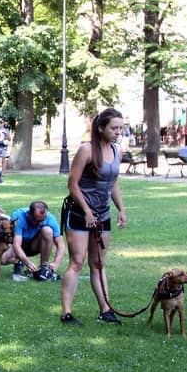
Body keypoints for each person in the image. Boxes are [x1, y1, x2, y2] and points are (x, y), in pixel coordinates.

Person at [59, 107, 127, 325]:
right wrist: (87, 211)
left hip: (103, 214)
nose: (118, 132)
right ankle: (66, 313)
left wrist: (121, 209)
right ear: (101, 128)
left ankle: (105, 311)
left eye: (121, 128)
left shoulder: (117, 151)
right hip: (79, 213)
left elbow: (113, 182)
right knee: (77, 262)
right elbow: (72, 184)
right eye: (114, 128)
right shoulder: (86, 150)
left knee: (98, 263)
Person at [0, 201, 66, 282]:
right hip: (19, 246)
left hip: (35, 246)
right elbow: (16, 245)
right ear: (29, 214)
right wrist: (27, 262)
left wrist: (56, 263)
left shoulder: (50, 219)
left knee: (47, 231)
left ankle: (44, 267)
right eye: (37, 221)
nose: (40, 223)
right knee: (2, 259)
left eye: (43, 220)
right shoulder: (18, 217)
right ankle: (19, 262)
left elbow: (61, 245)